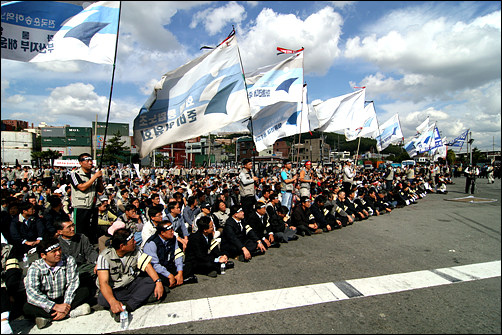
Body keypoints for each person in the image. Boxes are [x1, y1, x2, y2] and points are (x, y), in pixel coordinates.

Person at [96, 228, 164, 322]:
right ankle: (132, 302)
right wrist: (112, 301)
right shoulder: (104, 257)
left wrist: (158, 282)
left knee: (150, 281)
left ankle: (126, 307)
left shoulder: (136, 249)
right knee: (102, 299)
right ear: (122, 246)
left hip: (132, 284)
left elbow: (147, 266)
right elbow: (104, 282)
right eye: (132, 241)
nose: (135, 242)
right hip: (116, 289)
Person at [23, 237, 92, 329]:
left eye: (59, 249)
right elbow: (33, 293)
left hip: (64, 298)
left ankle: (50, 317)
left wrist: (65, 305)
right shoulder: (35, 268)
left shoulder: (69, 260)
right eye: (54, 252)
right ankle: (70, 313)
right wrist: (54, 306)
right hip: (47, 302)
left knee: (84, 291)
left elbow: (73, 284)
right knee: (27, 307)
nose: (58, 253)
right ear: (43, 255)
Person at [143, 220, 197, 290]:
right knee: (157, 278)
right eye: (170, 231)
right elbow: (155, 265)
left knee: (190, 264)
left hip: (169, 265)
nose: (173, 232)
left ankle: (176, 281)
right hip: (159, 270)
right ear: (162, 233)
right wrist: (169, 275)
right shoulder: (151, 243)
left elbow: (178, 255)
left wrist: (180, 272)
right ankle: (180, 280)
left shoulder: (173, 238)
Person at [54, 219, 98, 297]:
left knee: (99, 269)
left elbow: (90, 251)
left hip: (81, 267)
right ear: (60, 232)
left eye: (73, 226)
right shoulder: (56, 243)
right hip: (64, 271)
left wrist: (97, 262)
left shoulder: (82, 238)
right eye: (69, 227)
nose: (73, 229)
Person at [69, 153, 104, 244]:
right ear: (80, 163)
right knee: (79, 231)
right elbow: (82, 187)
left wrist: (99, 179)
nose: (90, 163)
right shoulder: (75, 174)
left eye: (91, 161)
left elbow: (100, 190)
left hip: (93, 206)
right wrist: (94, 177)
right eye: (87, 161)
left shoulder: (94, 174)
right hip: (81, 206)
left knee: (92, 230)